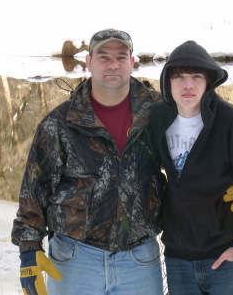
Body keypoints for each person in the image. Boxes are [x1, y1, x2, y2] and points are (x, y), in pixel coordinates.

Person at [12, 29, 167, 295]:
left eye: (121, 56)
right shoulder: (60, 123)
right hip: (75, 258)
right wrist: (29, 253)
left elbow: (193, 158)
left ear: (132, 62)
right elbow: (34, 192)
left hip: (139, 257)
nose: (113, 64)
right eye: (104, 56)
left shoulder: (158, 114)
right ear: (88, 61)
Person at [150, 40, 233, 295]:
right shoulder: (158, 117)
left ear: (208, 82)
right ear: (167, 82)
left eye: (196, 76)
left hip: (225, 256)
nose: (188, 84)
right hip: (178, 258)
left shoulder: (231, 121)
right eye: (179, 76)